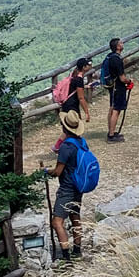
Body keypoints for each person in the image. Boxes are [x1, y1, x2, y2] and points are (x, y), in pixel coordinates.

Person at [44, 109, 87, 261]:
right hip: (78, 186)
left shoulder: (65, 147)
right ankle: (77, 250)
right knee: (75, 216)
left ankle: (66, 255)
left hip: (67, 188)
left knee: (57, 221)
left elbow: (58, 171)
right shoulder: (81, 142)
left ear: (64, 127)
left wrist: (46, 171)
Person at [102, 37, 132, 142]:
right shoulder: (117, 59)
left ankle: (111, 131)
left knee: (112, 107)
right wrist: (129, 82)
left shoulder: (110, 57)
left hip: (112, 86)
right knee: (116, 110)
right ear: (118, 46)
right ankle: (111, 135)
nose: (122, 44)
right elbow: (122, 78)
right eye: (121, 43)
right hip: (118, 87)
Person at [59, 57, 91, 124]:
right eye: (89, 64)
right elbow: (81, 98)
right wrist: (87, 113)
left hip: (66, 104)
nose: (91, 66)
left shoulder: (74, 75)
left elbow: (74, 88)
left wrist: (84, 87)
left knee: (68, 130)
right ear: (84, 67)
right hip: (72, 106)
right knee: (75, 127)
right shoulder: (79, 79)